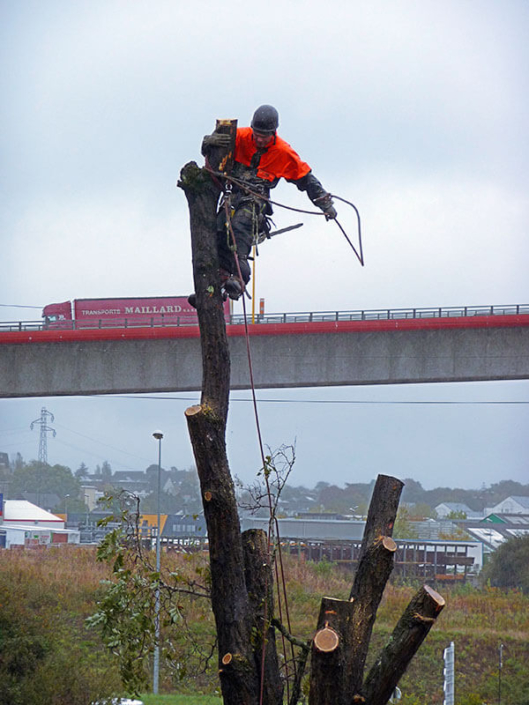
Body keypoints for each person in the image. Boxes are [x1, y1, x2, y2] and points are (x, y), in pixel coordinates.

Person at [197, 104, 337, 302]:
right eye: (257, 134)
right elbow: (212, 157)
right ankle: (213, 287)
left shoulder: (284, 153)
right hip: (231, 196)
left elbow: (307, 180)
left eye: (265, 136)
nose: (260, 139)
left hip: (255, 200)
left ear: (274, 132)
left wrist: (325, 204)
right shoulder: (237, 136)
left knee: (240, 227)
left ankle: (239, 277)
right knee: (217, 234)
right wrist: (208, 143)